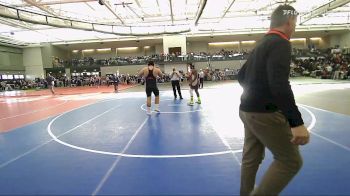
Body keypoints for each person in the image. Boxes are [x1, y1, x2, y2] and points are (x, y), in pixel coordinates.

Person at [237, 5, 310, 195]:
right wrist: (296, 122)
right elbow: (279, 84)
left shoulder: (261, 44)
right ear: (289, 21)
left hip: (246, 110)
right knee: (290, 161)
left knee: (251, 157)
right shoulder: (281, 43)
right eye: (295, 22)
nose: (294, 27)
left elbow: (241, 76)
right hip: (264, 114)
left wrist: (254, 95)